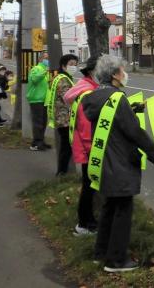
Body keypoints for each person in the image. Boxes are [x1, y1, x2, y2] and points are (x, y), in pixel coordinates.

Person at [82, 54, 154, 273]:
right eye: (121, 70)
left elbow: (114, 117)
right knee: (122, 210)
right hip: (119, 162)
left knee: (109, 207)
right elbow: (134, 132)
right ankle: (116, 260)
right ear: (114, 75)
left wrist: (132, 108)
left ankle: (101, 253)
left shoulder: (95, 96)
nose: (124, 74)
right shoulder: (117, 99)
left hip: (103, 161)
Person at [63, 56, 100, 235]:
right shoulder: (88, 93)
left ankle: (86, 221)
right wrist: (96, 152)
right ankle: (85, 224)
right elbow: (87, 130)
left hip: (82, 147)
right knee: (89, 187)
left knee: (89, 185)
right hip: (88, 149)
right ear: (93, 72)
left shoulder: (83, 87)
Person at [47, 54, 80, 175]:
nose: (74, 67)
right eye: (71, 64)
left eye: (75, 64)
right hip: (64, 117)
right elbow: (68, 97)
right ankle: (61, 172)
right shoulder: (63, 79)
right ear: (63, 65)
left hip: (61, 116)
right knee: (66, 146)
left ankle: (62, 171)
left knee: (66, 145)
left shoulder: (60, 77)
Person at [27, 52, 51, 151]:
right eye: (46, 58)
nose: (48, 60)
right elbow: (34, 79)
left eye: (48, 58)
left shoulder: (45, 70)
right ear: (40, 59)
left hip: (44, 100)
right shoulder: (36, 69)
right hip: (36, 99)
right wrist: (45, 72)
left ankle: (41, 140)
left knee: (43, 121)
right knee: (38, 122)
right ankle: (36, 143)